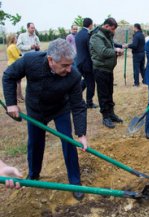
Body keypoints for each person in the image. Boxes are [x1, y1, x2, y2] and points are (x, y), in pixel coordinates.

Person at [2, 38, 88, 201]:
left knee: (68, 141)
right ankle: (33, 176)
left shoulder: (74, 75)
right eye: (64, 65)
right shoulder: (30, 60)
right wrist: (11, 103)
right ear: (50, 60)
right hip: (36, 110)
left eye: (71, 64)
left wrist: (82, 134)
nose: (69, 69)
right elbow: (8, 76)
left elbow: (78, 106)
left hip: (60, 109)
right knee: (35, 143)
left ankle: (75, 182)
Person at [89, 18, 124, 129]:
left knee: (110, 92)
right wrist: (116, 51)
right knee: (103, 94)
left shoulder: (107, 35)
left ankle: (111, 114)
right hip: (100, 70)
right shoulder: (96, 37)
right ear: (106, 26)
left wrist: (114, 52)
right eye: (112, 29)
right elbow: (103, 52)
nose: (113, 31)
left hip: (108, 69)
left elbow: (109, 49)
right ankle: (105, 117)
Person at [75, 18, 97, 109]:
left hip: (79, 62)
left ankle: (75, 96)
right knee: (91, 83)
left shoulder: (78, 34)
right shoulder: (88, 35)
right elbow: (90, 50)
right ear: (90, 25)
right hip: (87, 63)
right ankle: (89, 103)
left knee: (86, 81)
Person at [6, 33, 24, 102]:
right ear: (13, 39)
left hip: (14, 65)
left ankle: (20, 96)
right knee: (17, 82)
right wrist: (24, 57)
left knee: (18, 82)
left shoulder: (13, 46)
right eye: (16, 38)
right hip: (14, 65)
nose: (17, 39)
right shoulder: (12, 47)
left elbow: (19, 54)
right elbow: (17, 56)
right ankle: (18, 97)